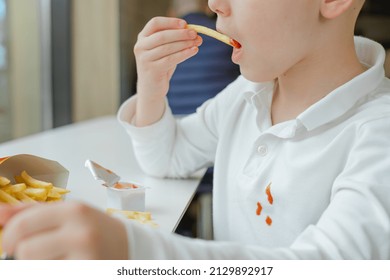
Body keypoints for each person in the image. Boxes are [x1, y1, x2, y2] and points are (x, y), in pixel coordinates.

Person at [1, 0, 390, 260]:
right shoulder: (246, 94)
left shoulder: (378, 132)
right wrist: (152, 88)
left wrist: (135, 250)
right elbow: (168, 158)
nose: (214, 4)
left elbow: (329, 263)